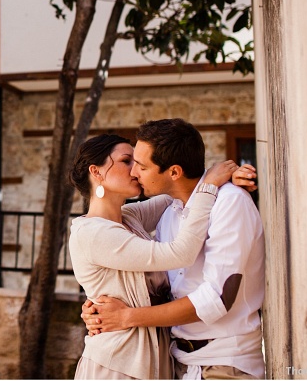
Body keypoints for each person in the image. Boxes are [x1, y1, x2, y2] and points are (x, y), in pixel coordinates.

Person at [82, 119, 265, 380]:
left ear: (174, 172)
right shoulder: (170, 212)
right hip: (178, 363)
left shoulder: (229, 203)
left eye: (142, 166)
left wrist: (127, 317)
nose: (134, 172)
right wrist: (96, 308)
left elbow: (217, 299)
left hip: (224, 365)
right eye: (130, 162)